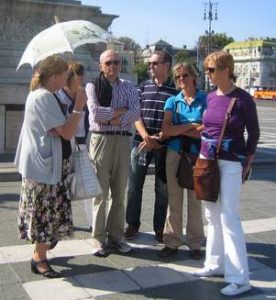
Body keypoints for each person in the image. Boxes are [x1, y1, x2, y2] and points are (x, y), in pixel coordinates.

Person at [193, 51, 260, 296]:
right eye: (207, 70)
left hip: (231, 163)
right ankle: (214, 264)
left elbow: (253, 135)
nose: (208, 74)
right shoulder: (210, 97)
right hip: (207, 160)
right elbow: (207, 126)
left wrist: (247, 163)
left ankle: (240, 278)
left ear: (225, 70)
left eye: (211, 70)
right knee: (211, 215)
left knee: (229, 218)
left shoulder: (243, 100)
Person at [15, 55, 87, 278]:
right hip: (44, 167)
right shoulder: (44, 97)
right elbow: (66, 132)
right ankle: (39, 258)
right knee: (43, 212)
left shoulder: (45, 95)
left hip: (46, 164)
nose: (68, 76)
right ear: (55, 76)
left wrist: (64, 124)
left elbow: (61, 129)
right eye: (66, 73)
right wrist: (78, 108)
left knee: (46, 210)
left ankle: (43, 249)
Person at [86, 49, 140, 257]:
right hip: (101, 140)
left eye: (117, 62)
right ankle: (98, 238)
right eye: (108, 62)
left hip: (122, 140)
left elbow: (136, 111)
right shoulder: (93, 85)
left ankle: (116, 236)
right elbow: (96, 114)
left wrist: (113, 118)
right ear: (101, 66)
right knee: (100, 192)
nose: (113, 65)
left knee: (119, 192)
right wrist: (119, 113)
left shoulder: (128, 86)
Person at [125, 50, 178, 242]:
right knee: (134, 186)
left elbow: (177, 120)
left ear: (166, 66)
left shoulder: (175, 90)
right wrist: (146, 136)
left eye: (155, 63)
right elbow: (135, 114)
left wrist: (159, 137)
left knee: (162, 188)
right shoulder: (143, 87)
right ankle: (132, 224)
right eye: (150, 64)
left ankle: (158, 228)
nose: (151, 67)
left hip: (164, 146)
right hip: (140, 144)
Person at [160, 62, 206, 259]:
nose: (181, 80)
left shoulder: (205, 99)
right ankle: (172, 241)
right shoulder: (172, 101)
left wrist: (180, 129)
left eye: (185, 75)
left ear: (193, 76)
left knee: (195, 201)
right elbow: (166, 130)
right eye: (177, 77)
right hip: (175, 154)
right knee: (174, 198)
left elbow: (206, 131)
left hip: (197, 155)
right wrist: (193, 125)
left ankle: (195, 243)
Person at [55, 62, 92, 229]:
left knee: (86, 184)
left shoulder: (83, 94)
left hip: (81, 144)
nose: (79, 83)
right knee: (62, 185)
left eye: (81, 79)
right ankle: (61, 220)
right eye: (77, 79)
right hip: (62, 145)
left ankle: (92, 223)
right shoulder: (58, 96)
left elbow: (89, 120)